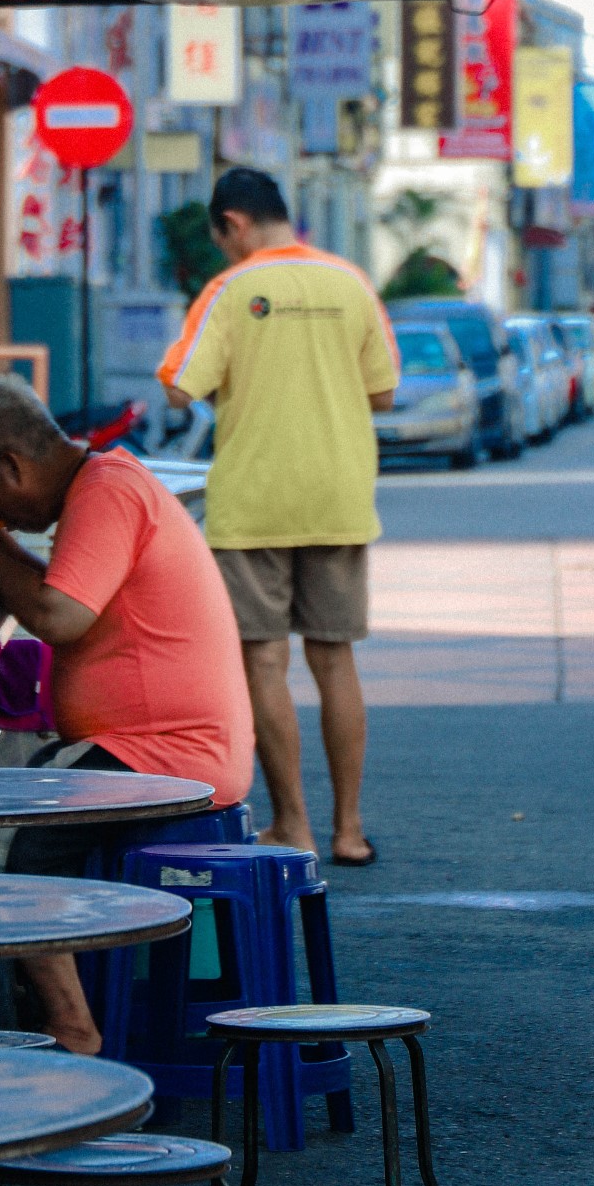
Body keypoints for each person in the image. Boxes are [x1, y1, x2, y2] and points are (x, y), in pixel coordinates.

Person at [0, 377, 253, 1054]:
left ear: (12, 467)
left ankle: (70, 1030)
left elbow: (58, 615)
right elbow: (56, 591)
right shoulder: (101, 485)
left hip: (164, 749)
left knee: (4, 842)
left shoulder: (107, 490)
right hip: (141, 745)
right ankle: (9, 1004)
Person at [157, 166, 398, 867]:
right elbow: (382, 394)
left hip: (253, 500)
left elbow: (179, 388)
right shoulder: (350, 283)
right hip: (338, 496)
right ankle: (349, 830)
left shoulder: (229, 290)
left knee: (264, 660)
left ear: (232, 223)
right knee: (335, 658)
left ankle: (292, 824)